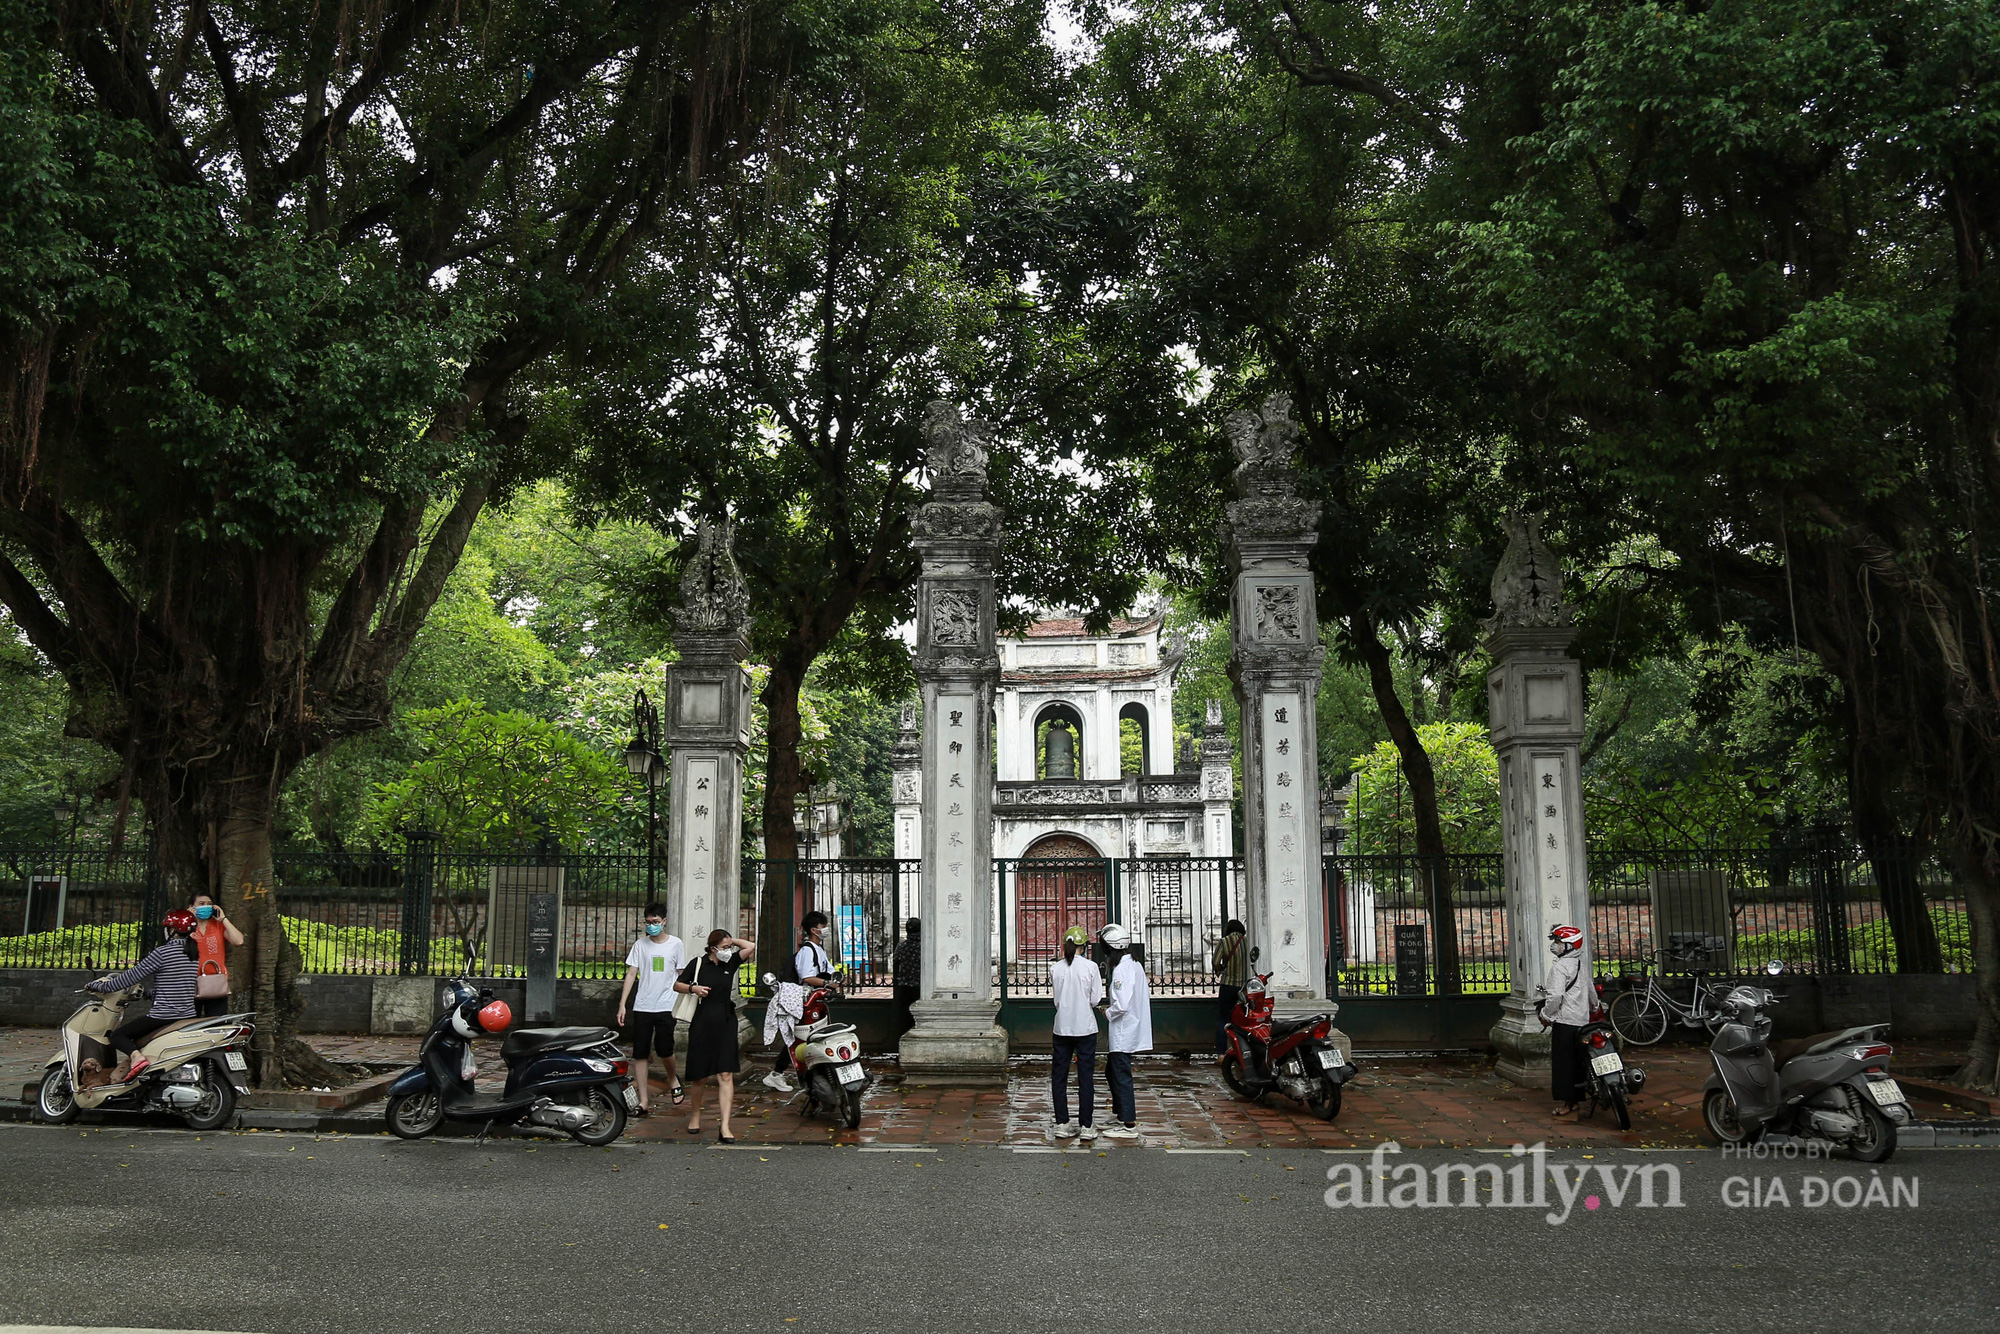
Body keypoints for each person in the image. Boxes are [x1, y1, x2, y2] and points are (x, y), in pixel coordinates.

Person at [83, 909, 200, 1086]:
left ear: (172, 930)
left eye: (167, 928)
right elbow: (178, 985)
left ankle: (137, 1059)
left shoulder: (163, 953)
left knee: (118, 1036)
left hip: (163, 1016)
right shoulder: (193, 954)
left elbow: (126, 979)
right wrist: (149, 993)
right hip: (187, 1015)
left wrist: (97, 986)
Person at [677, 927, 756, 1142]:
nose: (728, 951)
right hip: (702, 1022)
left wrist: (731, 941)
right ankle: (695, 1115)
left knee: (726, 1074)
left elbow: (750, 946)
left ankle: (726, 1125)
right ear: (712, 948)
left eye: (729, 947)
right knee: (699, 1076)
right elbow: (677, 984)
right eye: (723, 948)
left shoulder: (731, 962)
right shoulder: (699, 963)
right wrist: (694, 989)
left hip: (726, 1021)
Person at [615, 902, 686, 1117]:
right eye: (648, 923)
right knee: (640, 1054)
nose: (652, 926)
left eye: (655, 922)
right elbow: (631, 974)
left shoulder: (676, 944)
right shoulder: (640, 945)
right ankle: (644, 1100)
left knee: (665, 1049)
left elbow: (681, 975)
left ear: (664, 921)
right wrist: (622, 1004)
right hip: (643, 1005)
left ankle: (673, 1077)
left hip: (666, 1005)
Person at [767, 911, 835, 1092]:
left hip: (815, 1000)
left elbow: (829, 970)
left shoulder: (819, 949)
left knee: (810, 1037)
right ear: (814, 930)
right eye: (823, 927)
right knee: (799, 1038)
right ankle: (777, 1074)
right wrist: (828, 983)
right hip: (803, 1001)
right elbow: (807, 977)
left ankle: (808, 1073)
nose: (826, 930)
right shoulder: (807, 951)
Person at [1049, 924, 1103, 1142]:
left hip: (1062, 1027)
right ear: (1085, 946)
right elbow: (1095, 999)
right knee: (1086, 1077)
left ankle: (1062, 1123)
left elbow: (1056, 1000)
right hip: (1085, 1028)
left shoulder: (1056, 968)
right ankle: (1087, 1125)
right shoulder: (1090, 968)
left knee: (1059, 1076)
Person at [1102, 923, 1153, 1140]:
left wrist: (1107, 1013)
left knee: (1121, 1074)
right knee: (1111, 1071)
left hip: (1124, 1028)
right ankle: (1120, 1113)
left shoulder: (1122, 969)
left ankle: (1129, 1124)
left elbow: (1121, 1005)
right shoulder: (1134, 964)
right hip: (1131, 1025)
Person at [1536, 923, 1590, 1118]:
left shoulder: (1559, 967)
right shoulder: (1579, 965)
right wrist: (1595, 1008)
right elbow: (1590, 991)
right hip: (1583, 1021)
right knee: (1578, 1063)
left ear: (1568, 945)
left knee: (1564, 1065)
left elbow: (1555, 997)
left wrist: (1546, 1016)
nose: (1555, 945)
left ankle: (1567, 1104)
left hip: (1565, 1021)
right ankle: (1576, 1100)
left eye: (1558, 942)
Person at [188, 893, 244, 1018]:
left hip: (215, 983)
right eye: (201, 904)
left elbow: (238, 940)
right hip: (190, 982)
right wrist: (188, 918)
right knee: (189, 1022)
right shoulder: (187, 928)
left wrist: (223, 919)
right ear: (192, 906)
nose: (206, 907)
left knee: (216, 1021)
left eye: (209, 904)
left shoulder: (218, 926)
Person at [1211, 919, 1249, 1058]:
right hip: (1244, 987)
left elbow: (1216, 961)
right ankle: (1243, 1052)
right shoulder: (1248, 941)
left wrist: (1220, 968)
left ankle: (1221, 1054)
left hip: (1228, 984)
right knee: (1242, 1019)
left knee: (1223, 1018)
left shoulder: (1224, 941)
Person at [891, 919, 922, 1037]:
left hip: (905, 986)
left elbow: (895, 961)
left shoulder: (902, 946)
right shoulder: (926, 946)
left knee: (905, 1014)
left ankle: (903, 1036)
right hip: (921, 986)